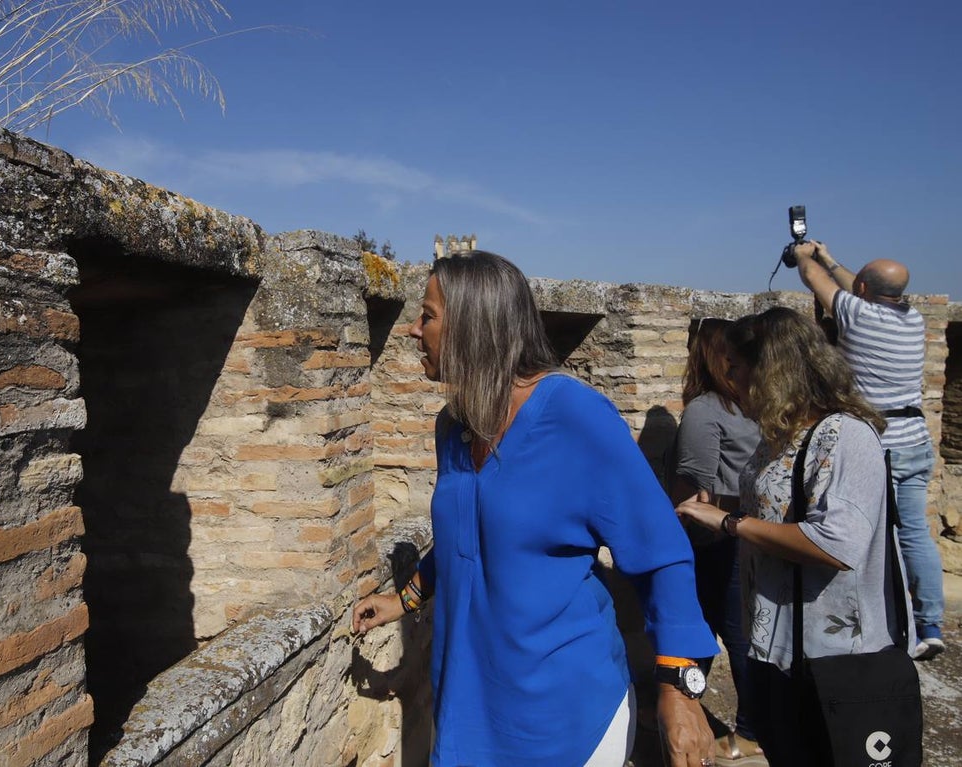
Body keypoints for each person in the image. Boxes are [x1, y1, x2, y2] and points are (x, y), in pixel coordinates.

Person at [352, 251, 718, 767]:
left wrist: (680, 688)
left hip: (567, 716)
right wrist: (406, 597)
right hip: (468, 708)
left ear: (473, 326)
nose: (414, 329)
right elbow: (469, 535)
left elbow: (660, 552)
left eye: (428, 316)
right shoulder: (453, 427)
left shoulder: (575, 415)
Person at [677, 307, 914, 766]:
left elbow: (836, 544)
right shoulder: (781, 435)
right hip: (778, 644)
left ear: (770, 370)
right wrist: (716, 508)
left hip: (832, 656)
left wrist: (729, 523)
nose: (731, 378)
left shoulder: (844, 436)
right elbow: (782, 508)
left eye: (737, 367)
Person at [792, 242, 945, 660]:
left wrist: (804, 256)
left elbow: (814, 280)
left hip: (883, 445)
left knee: (880, 540)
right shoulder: (912, 318)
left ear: (862, 288)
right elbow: (853, 285)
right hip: (916, 440)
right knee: (915, 533)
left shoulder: (858, 315)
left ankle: (894, 626)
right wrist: (829, 258)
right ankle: (931, 624)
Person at [670, 320, 764, 766]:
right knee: (723, 629)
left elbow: (695, 488)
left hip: (713, 539)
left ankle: (749, 730)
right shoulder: (751, 406)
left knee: (716, 630)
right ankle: (684, 705)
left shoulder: (705, 410)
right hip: (746, 533)